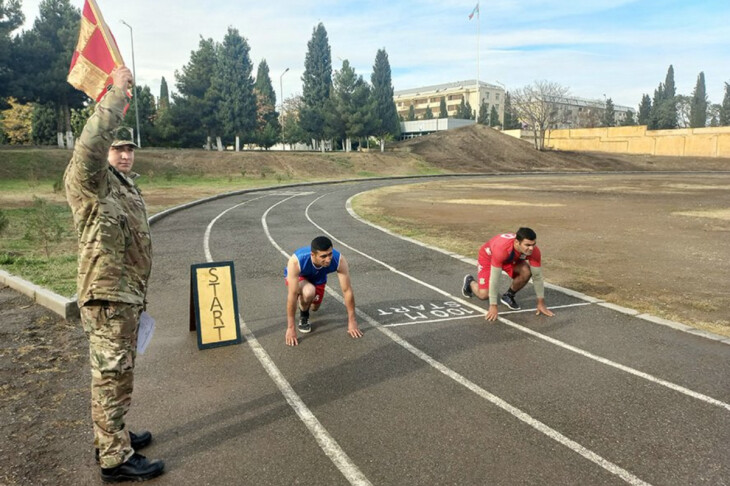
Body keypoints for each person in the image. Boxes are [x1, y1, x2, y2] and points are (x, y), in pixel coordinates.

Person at [64, 66, 164, 482]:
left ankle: (113, 435)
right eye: (117, 148)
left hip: (125, 297)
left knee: (119, 374)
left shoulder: (123, 186)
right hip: (107, 298)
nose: (123, 154)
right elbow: (89, 145)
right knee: (110, 377)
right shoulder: (90, 181)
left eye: (129, 149)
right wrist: (116, 96)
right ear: (105, 151)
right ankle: (114, 461)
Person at [461, 227, 555, 322]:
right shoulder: (501, 249)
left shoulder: (534, 251)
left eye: (533, 244)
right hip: (489, 258)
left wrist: (541, 303)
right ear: (517, 242)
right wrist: (493, 306)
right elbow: (495, 279)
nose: (531, 248)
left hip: (510, 259)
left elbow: (537, 277)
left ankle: (508, 295)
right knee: (484, 295)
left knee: (526, 272)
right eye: (527, 245)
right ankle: (470, 282)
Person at [284, 236, 363, 346]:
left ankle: (305, 301)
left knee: (315, 308)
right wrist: (290, 328)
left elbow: (347, 290)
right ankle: (304, 315)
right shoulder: (296, 261)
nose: (328, 259)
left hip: (319, 278)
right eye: (323, 256)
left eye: (330, 254)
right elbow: (292, 295)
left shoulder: (338, 259)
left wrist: (352, 321)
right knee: (309, 292)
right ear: (313, 255)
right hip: (301, 277)